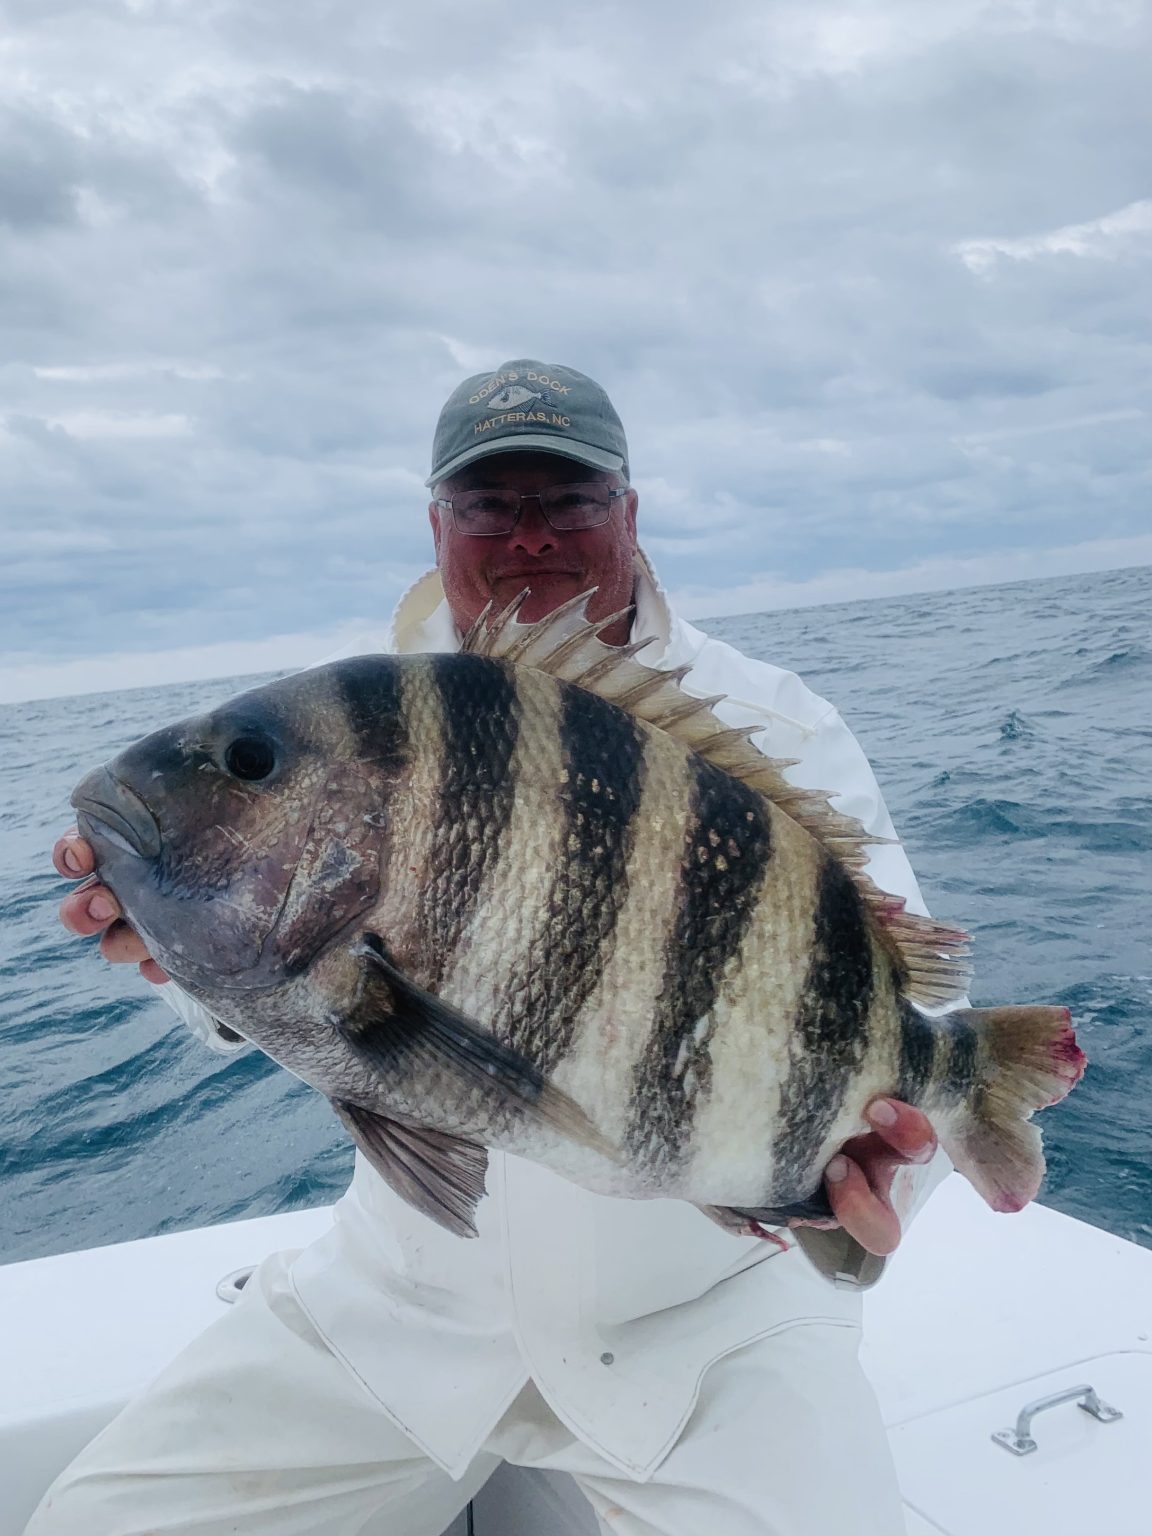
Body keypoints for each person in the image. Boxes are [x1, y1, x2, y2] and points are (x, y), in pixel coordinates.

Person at [36, 360, 949, 1536]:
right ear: (437, 522)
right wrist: (180, 952)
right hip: (404, 1302)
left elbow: (879, 1022)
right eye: (489, 503)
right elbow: (312, 994)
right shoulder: (362, 727)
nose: (530, 538)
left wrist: (858, 1189)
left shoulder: (774, 728)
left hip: (707, 1325)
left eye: (567, 500)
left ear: (629, 509)